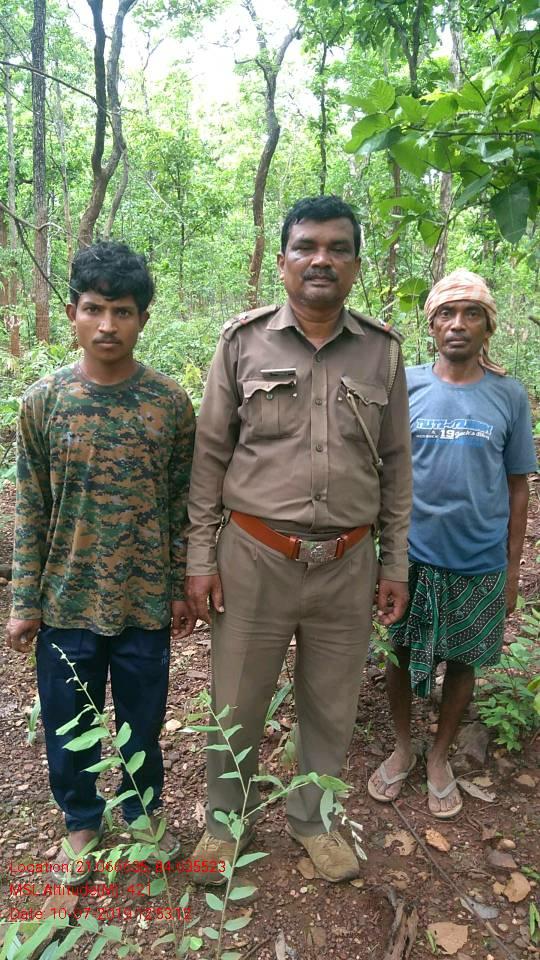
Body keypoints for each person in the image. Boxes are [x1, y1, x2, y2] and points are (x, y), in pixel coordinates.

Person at [185, 195, 412, 883]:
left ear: (355, 265)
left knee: (331, 704)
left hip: (348, 562)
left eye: (338, 248)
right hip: (253, 556)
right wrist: (199, 557)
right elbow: (209, 457)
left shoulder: (382, 351)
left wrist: (394, 563)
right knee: (237, 700)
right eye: (306, 246)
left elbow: (397, 464)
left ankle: (314, 820)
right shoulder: (242, 342)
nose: (321, 259)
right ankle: (224, 822)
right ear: (283, 261)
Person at [5, 241, 196, 880]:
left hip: (145, 601)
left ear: (142, 318)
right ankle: (82, 821)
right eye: (94, 309)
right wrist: (24, 602)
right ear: (72, 313)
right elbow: (31, 507)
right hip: (67, 601)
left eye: (122, 311)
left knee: (142, 720)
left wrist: (179, 586)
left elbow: (182, 505)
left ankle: (142, 812)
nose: (107, 325)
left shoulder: (169, 403)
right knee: (68, 723)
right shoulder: (44, 401)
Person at [368, 269, 537, 819]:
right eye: (447, 313)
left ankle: (440, 754)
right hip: (410, 555)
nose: (458, 324)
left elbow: (517, 486)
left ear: (488, 327)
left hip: (478, 559)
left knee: (464, 660)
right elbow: (384, 468)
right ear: (432, 325)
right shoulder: (407, 385)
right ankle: (403, 747)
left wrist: (511, 569)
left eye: (471, 314)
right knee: (400, 650)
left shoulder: (508, 395)